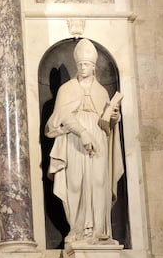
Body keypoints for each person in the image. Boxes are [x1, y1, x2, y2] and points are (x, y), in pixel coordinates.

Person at [44, 39, 123, 244]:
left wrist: (113, 117)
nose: (82, 67)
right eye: (79, 64)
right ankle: (77, 230)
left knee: (99, 182)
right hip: (74, 141)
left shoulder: (101, 91)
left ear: (94, 67)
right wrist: (82, 132)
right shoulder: (66, 90)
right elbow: (61, 116)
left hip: (98, 139)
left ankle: (99, 230)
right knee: (76, 184)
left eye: (86, 64)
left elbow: (108, 124)